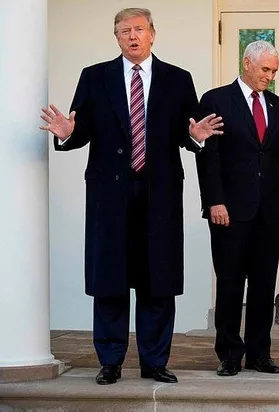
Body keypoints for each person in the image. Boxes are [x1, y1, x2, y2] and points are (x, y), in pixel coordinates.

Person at [39, 8, 223, 385]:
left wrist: (195, 137)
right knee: (110, 279)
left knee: (158, 279)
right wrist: (67, 133)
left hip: (160, 194)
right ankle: (110, 361)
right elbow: (80, 130)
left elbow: (188, 131)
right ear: (117, 38)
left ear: (153, 33)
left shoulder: (178, 79)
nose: (132, 36)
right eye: (124, 31)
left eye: (139, 29)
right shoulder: (95, 77)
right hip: (110, 195)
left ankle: (155, 362)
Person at [196, 40, 279, 377]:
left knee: (263, 286)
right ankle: (229, 354)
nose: (270, 76)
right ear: (246, 63)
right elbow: (208, 157)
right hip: (228, 211)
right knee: (229, 284)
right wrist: (214, 200)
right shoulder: (216, 100)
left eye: (274, 71)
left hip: (269, 213)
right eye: (265, 69)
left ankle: (259, 353)